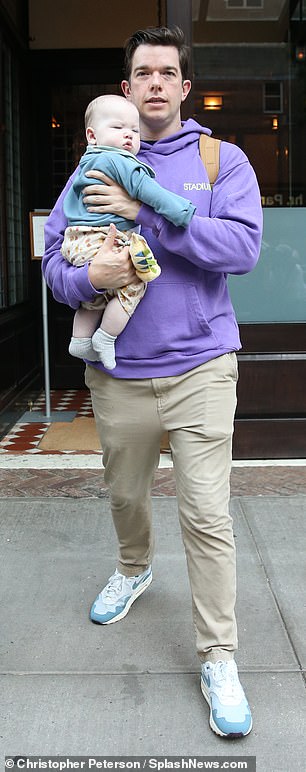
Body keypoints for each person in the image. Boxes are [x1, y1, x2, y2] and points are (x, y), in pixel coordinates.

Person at [43, 26, 263, 739]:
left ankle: (219, 655)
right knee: (126, 493)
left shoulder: (218, 159)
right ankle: (134, 568)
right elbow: (55, 258)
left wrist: (148, 217)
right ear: (128, 88)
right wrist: (87, 278)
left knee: (207, 514)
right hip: (120, 374)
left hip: (202, 365)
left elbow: (243, 248)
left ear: (185, 87)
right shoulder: (93, 162)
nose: (158, 83)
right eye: (144, 73)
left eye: (169, 72)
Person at [62, 94, 196, 369]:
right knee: (135, 283)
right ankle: (106, 337)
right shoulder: (119, 161)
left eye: (134, 130)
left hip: (76, 241)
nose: (128, 136)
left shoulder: (86, 164)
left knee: (98, 293)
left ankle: (79, 338)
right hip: (101, 239)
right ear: (92, 135)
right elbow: (148, 191)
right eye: (117, 128)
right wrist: (181, 211)